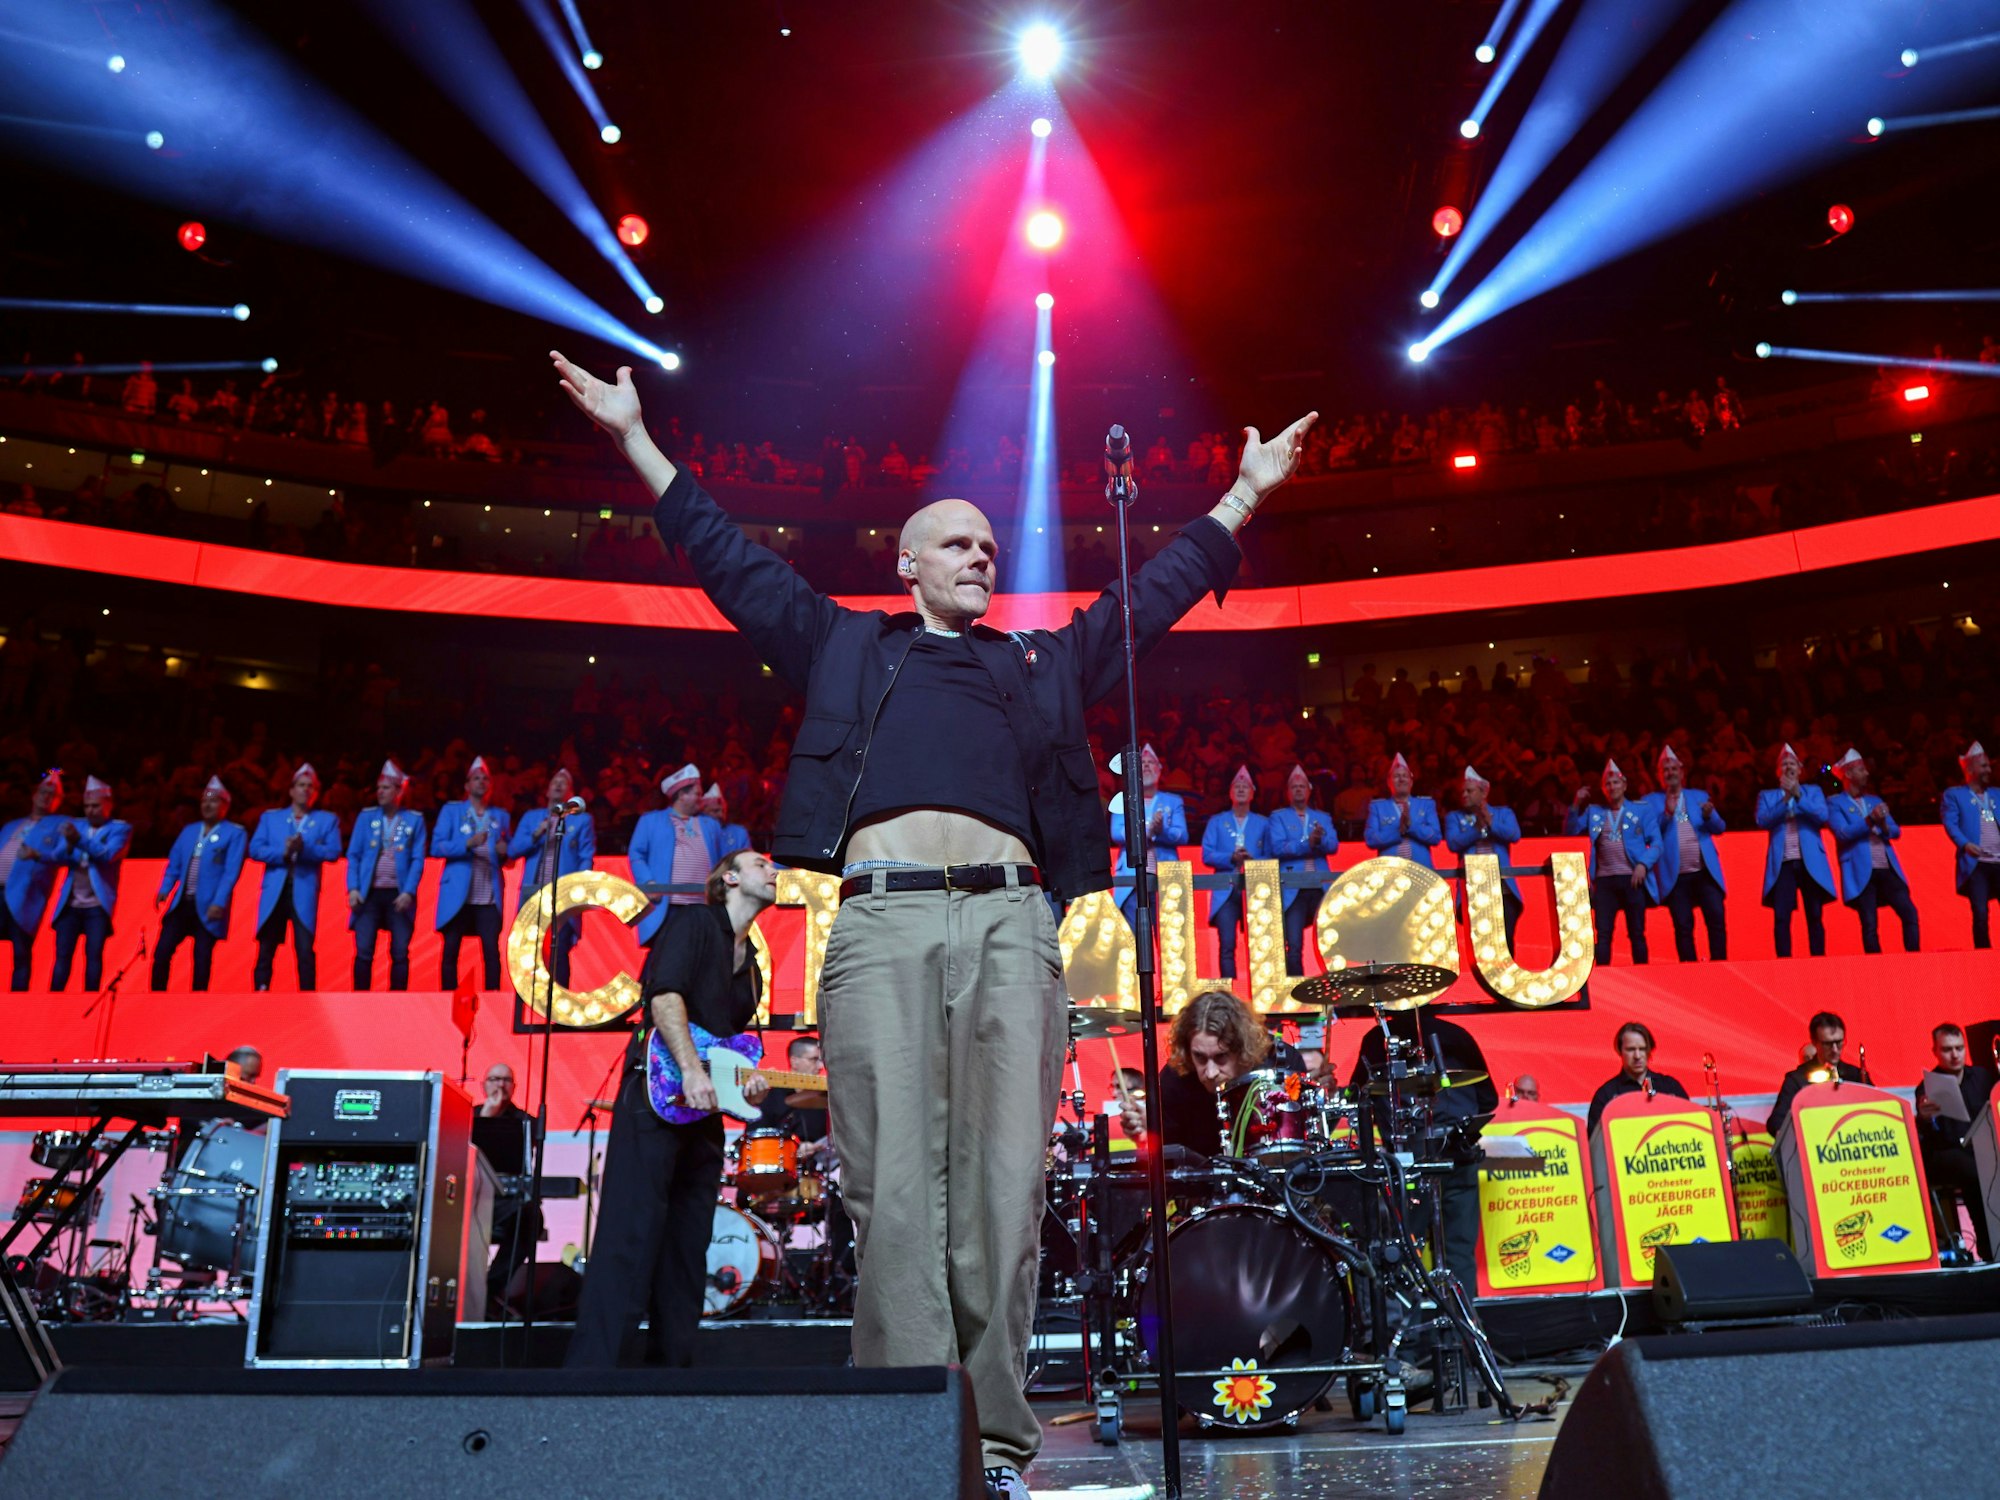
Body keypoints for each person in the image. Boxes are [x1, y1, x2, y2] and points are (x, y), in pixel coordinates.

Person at [552, 344, 1314, 1496]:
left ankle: (994, 1454)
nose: (981, 556)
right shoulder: (846, 645)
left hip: (1011, 932)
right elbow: (724, 558)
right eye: (957, 542)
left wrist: (1242, 493)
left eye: (990, 548)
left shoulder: (1035, 665)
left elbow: (1141, 601)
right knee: (895, 1199)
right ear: (904, 563)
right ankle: (910, 1446)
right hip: (881, 931)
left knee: (1003, 1201)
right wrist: (634, 439)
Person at [566, 850, 777, 1368]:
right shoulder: (693, 923)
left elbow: (729, 1047)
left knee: (688, 1246)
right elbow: (663, 998)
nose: (774, 871)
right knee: (628, 1234)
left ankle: (671, 1376)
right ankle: (591, 1376)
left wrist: (745, 1084)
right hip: (654, 1099)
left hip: (701, 1115)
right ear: (729, 878)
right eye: (760, 864)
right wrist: (689, 1069)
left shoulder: (750, 968)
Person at [1350, 1008, 1498, 1277]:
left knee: (1404, 1249)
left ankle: (1408, 1318)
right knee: (1459, 1249)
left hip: (1408, 1156)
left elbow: (1357, 1100)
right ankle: (1463, 1317)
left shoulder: (1377, 1041)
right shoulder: (1457, 1035)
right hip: (1459, 1147)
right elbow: (1489, 1100)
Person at [1155, 989, 1305, 1157]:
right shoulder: (1173, 1080)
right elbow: (1167, 1163)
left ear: (1242, 1050)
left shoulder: (1281, 1063)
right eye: (1199, 1057)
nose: (1210, 1073)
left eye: (1221, 1056)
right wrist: (1146, 1134)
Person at [248, 763, 342, 991]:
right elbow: (255, 849)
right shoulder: (271, 818)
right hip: (275, 891)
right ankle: (260, 992)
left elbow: (333, 851)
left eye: (311, 787)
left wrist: (304, 849)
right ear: (291, 790)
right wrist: (283, 852)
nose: (306, 790)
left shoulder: (326, 820)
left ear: (317, 793)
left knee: (304, 948)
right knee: (266, 946)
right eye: (301, 785)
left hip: (304, 889)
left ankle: (307, 997)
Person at [152, 777, 247, 991]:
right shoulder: (189, 831)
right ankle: (155, 997)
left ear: (225, 806)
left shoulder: (235, 833)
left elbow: (231, 873)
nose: (207, 805)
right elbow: (174, 864)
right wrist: (165, 889)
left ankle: (197, 1001)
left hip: (208, 905)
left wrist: (219, 902)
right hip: (182, 902)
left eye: (213, 801)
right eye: (204, 800)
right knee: (162, 952)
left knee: (202, 958)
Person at [1913, 1022, 1995, 1262]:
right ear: (1935, 1051)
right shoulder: (1927, 1085)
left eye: (1959, 1048)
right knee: (1975, 1172)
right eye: (1948, 1049)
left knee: (1984, 1165)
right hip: (1946, 1153)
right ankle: (1988, 1249)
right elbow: (1928, 1134)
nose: (1955, 1054)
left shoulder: (1980, 1077)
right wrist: (1925, 1118)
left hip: (1979, 1150)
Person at [1567, 759, 1660, 966]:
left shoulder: (1641, 810)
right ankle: (1602, 979)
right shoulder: (1595, 812)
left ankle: (1644, 977)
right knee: (1603, 935)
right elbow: (1571, 829)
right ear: (1603, 789)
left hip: (1632, 878)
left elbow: (1657, 843)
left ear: (1624, 785)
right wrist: (1575, 803)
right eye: (1608, 784)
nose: (1612, 787)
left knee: (1637, 933)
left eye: (1616, 783)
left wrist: (1643, 865)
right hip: (1604, 881)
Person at [510, 767, 596, 986]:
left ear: (571, 793)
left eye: (564, 783)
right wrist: (538, 832)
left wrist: (579, 887)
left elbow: (586, 856)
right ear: (547, 791)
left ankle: (559, 1009)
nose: (558, 785)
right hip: (534, 892)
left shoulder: (582, 821)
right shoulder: (532, 817)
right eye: (554, 782)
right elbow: (512, 850)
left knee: (559, 950)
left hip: (563, 896)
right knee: (529, 951)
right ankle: (527, 1009)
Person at [1827, 748, 1918, 954]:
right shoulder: (1835, 803)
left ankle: (1914, 959)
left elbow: (1895, 831)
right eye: (1861, 770)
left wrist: (1883, 826)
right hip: (1861, 870)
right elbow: (1842, 833)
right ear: (1848, 775)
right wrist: (1870, 820)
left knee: (1909, 912)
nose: (1866, 774)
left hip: (1886, 865)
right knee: (1869, 923)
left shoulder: (1874, 801)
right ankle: (1876, 970)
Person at [433, 756, 513, 992]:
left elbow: (508, 853)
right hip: (459, 893)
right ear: (467, 786)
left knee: (491, 949)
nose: (481, 782)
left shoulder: (501, 816)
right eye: (476, 778)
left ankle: (493, 998)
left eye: (485, 778)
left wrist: (504, 852)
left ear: (491, 785)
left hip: (488, 895)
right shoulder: (451, 811)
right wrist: (467, 843)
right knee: (450, 949)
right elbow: (437, 846)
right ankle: (447, 997)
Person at [347, 760, 427, 991]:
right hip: (368, 893)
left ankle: (398, 1001)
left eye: (386, 788)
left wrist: (409, 892)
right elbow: (354, 855)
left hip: (399, 893)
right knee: (363, 950)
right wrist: (353, 888)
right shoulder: (366, 817)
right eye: (379, 788)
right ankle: (360, 1001)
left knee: (400, 951)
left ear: (399, 791)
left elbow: (417, 860)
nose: (380, 792)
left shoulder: (414, 820)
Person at [1642, 746, 1727, 962]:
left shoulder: (1698, 795)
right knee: (1683, 925)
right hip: (1675, 876)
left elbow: (1720, 827)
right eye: (1665, 770)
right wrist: (1667, 813)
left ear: (1682, 772)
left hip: (1704, 871)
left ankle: (1721, 966)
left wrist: (1709, 816)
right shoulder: (1650, 801)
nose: (1670, 773)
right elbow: (1647, 834)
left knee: (1716, 917)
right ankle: (1689, 972)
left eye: (1674, 768)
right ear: (1659, 776)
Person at [627, 764, 724, 953]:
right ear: (682, 795)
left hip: (703, 905)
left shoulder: (710, 825)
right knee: (664, 957)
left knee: (701, 957)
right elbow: (637, 854)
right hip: (669, 905)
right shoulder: (651, 821)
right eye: (697, 793)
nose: (700, 798)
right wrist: (649, 883)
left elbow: (722, 860)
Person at [471, 1062, 543, 1308]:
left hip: (506, 1202)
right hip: (471, 1198)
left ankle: (489, 1291)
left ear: (514, 1087)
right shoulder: (469, 1116)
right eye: (494, 1079)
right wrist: (486, 1118)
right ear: (484, 1084)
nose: (500, 1085)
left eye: (506, 1080)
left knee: (531, 1218)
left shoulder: (527, 1122)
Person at [48, 775, 129, 992]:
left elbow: (108, 854)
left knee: (93, 955)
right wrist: (67, 846)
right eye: (87, 806)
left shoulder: (119, 829)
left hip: (97, 905)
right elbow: (57, 856)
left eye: (96, 805)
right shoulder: (77, 825)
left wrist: (78, 841)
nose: (90, 810)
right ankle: (52, 1002)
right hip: (71, 903)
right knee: (62, 957)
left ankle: (89, 999)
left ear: (108, 805)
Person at [1757, 743, 1835, 958]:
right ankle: (1784, 962)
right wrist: (1785, 799)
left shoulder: (1813, 792)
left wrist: (1798, 795)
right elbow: (1762, 820)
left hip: (1809, 860)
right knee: (1782, 916)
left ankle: (1818, 959)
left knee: (1815, 914)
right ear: (1777, 771)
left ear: (1800, 770)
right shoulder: (1767, 795)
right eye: (1784, 764)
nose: (1788, 767)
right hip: (1783, 862)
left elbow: (1822, 816)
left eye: (1792, 764)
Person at [1, 769, 71, 990]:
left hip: (25, 895)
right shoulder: (11, 826)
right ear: (34, 794)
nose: (46, 796)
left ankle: (17, 1002)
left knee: (21, 952)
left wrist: (38, 855)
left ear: (58, 801)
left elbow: (65, 854)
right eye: (43, 791)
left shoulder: (60, 825)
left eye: (52, 794)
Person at [1198, 765, 1269, 979]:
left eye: (1245, 786)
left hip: (1255, 889)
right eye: (1236, 786)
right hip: (1225, 891)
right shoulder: (1217, 822)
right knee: (1227, 944)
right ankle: (1229, 994)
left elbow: (1273, 856)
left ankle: (1260, 991)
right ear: (1229, 792)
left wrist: (1253, 860)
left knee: (1259, 944)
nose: (1241, 789)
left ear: (1253, 793)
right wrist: (1231, 857)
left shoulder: (1264, 823)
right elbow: (1207, 855)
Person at [1269, 763, 1338, 975]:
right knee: (1294, 945)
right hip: (1293, 887)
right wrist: (1307, 843)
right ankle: (1296, 997)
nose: (1298, 789)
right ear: (1288, 793)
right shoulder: (1278, 817)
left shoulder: (1323, 817)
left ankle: (1335, 992)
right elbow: (1277, 847)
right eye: (1294, 787)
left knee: (1330, 942)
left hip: (1319, 886)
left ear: (1309, 791)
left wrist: (1319, 841)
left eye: (1302, 786)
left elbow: (1333, 846)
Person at [1444, 764, 1522, 949]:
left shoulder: (1503, 813)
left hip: (1503, 887)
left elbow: (1514, 835)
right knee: (1483, 944)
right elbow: (1453, 844)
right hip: (1474, 888)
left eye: (1469, 791)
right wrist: (1477, 829)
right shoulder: (1454, 817)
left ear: (1483, 793)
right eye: (1462, 791)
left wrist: (1491, 822)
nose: (1464, 795)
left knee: (1507, 938)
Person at [1109, 744, 1187, 925]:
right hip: (1132, 877)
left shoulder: (1173, 801)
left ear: (1160, 770)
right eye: (1141, 763)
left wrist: (1161, 832)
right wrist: (1147, 832)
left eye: (1150, 762)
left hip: (1165, 875)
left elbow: (1182, 835)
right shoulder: (1124, 799)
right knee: (1134, 938)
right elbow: (1117, 833)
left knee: (1170, 938)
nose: (1145, 766)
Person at [1767, 1010, 1865, 1138]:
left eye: (1839, 1042)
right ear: (1814, 1042)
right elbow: (1776, 1122)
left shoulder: (1856, 1075)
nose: (1835, 1049)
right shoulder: (1797, 1079)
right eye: (1828, 1044)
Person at [1940, 741, 2000, 948]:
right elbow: (1950, 823)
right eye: (1984, 766)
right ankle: (1983, 955)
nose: (1989, 770)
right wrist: (1965, 844)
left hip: (1999, 860)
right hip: (1977, 863)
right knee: (1981, 912)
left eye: (1989, 766)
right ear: (1971, 769)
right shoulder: (1954, 795)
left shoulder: (1997, 794)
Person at [1584, 1021, 1692, 1136]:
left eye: (1642, 1049)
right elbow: (1594, 1142)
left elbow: (1691, 1127)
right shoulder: (1605, 1095)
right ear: (1619, 1051)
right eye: (1630, 1049)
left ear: (1649, 1050)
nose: (1637, 1056)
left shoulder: (1671, 1087)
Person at [1365, 752, 1441, 868]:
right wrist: (1398, 831)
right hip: (1389, 872)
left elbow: (1436, 837)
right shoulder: (1377, 807)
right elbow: (1371, 840)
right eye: (1396, 776)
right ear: (1388, 782)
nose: (1401, 779)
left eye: (1405, 776)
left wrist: (1411, 826)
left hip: (1421, 871)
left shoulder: (1426, 804)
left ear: (1411, 782)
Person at [699, 783, 752, 857]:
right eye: (715, 811)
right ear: (702, 813)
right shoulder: (695, 834)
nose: (721, 815)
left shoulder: (738, 833)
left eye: (723, 811)